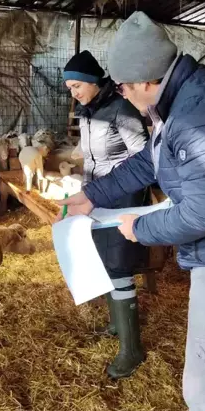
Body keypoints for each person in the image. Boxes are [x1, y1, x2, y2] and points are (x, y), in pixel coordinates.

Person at [58, 12, 205, 411]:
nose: (125, 95)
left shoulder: (200, 113)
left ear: (148, 79)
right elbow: (150, 162)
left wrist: (140, 227)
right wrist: (92, 196)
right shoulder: (181, 101)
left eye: (126, 86)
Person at [63, 50, 150, 379]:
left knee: (118, 265)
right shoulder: (89, 112)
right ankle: (117, 322)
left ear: (90, 81)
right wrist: (84, 192)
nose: (73, 93)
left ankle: (132, 350)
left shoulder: (121, 108)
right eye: (69, 88)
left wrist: (113, 194)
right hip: (98, 199)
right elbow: (91, 160)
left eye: (76, 86)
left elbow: (143, 158)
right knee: (105, 261)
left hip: (123, 198)